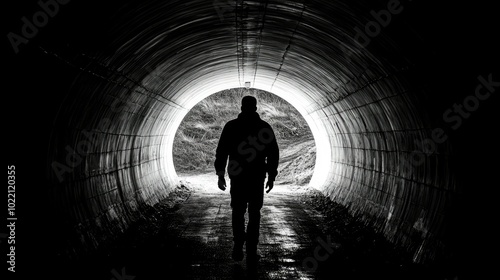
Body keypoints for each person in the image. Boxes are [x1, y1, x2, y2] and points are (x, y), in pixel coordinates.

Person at [214, 95, 279, 265]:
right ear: (255, 108)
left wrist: (220, 174)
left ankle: (238, 246)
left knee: (237, 211)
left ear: (241, 107)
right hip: (257, 177)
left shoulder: (231, 126)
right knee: (254, 213)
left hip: (238, 177)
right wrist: (271, 176)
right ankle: (251, 250)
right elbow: (273, 153)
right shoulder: (264, 127)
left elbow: (222, 151)